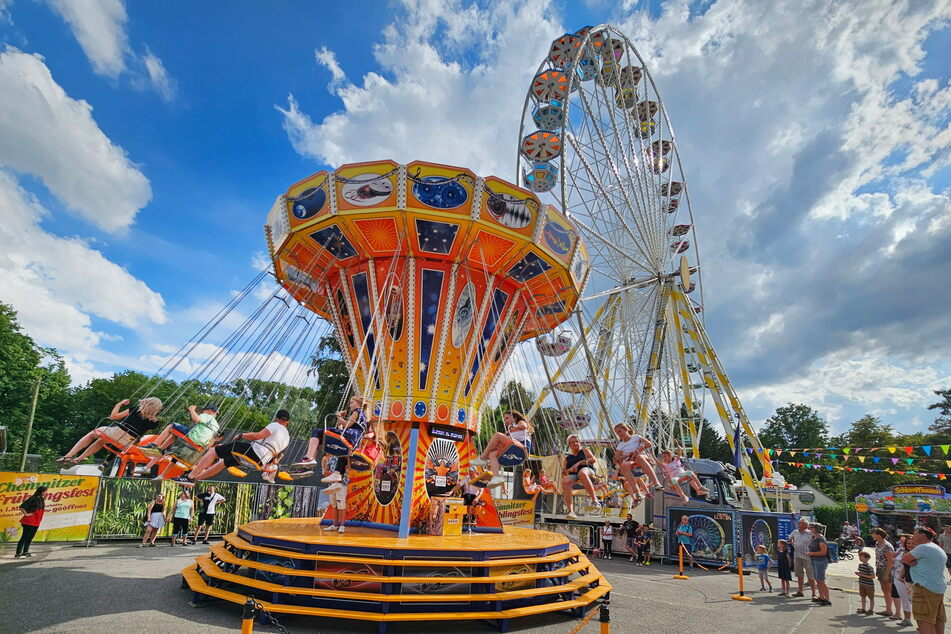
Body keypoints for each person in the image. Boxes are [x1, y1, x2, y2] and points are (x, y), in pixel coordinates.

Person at [173, 410, 291, 486]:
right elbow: (275, 455)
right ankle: (195, 479)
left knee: (214, 451)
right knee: (222, 463)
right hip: (260, 461)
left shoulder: (275, 425)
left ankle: (189, 477)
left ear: (277, 418)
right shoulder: (287, 437)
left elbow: (258, 435)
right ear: (288, 421)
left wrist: (241, 435)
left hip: (253, 451)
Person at [58, 397, 163, 464]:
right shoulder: (154, 423)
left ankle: (68, 456)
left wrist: (119, 404)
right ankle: (78, 459)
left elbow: (114, 417)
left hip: (117, 433)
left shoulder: (135, 410)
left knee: (92, 434)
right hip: (128, 442)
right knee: (101, 441)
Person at [143, 404, 221, 471]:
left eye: (204, 411)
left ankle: (154, 444)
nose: (202, 412)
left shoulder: (207, 416)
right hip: (199, 444)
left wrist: (192, 410)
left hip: (193, 437)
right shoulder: (217, 426)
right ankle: (156, 454)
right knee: (174, 434)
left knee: (171, 426)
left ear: (210, 411)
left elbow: (197, 419)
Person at [296, 397, 368, 466]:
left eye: (351, 402)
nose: (349, 405)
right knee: (318, 440)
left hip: (350, 436)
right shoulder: (363, 415)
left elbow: (347, 425)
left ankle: (309, 458)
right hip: (354, 439)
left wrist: (338, 416)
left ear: (359, 403)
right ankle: (308, 464)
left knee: (316, 432)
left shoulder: (357, 411)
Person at [904, 525, 948, 634]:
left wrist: (911, 562)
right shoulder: (935, 547)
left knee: (924, 619)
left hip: (925, 588)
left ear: (922, 535)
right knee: (937, 619)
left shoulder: (923, 547)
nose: (912, 537)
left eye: (915, 534)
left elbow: (904, 558)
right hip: (937, 587)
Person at [473, 410, 532, 486]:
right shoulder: (509, 432)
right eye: (504, 419)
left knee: (497, 435)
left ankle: (482, 458)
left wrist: (512, 428)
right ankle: (494, 476)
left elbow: (524, 426)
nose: (505, 421)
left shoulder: (520, 423)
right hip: (513, 449)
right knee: (491, 454)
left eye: (507, 418)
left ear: (514, 418)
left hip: (523, 448)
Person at [612, 423, 663, 501]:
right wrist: (626, 455)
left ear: (626, 429)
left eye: (620, 431)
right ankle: (637, 492)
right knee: (623, 466)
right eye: (617, 433)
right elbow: (616, 458)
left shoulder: (636, 437)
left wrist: (637, 451)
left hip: (641, 456)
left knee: (638, 457)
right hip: (631, 460)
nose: (619, 434)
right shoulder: (620, 445)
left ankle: (656, 483)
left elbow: (648, 443)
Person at [561, 434, 600, 519]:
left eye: (577, 441)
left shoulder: (585, 451)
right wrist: (569, 470)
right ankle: (571, 511)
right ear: (569, 445)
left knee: (582, 473)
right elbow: (564, 472)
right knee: (565, 482)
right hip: (575, 475)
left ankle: (595, 500)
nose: (575, 443)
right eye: (573, 442)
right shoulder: (568, 458)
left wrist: (579, 463)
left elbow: (593, 460)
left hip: (587, 471)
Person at [870, 527, 897, 617]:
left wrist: (886, 574)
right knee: (885, 590)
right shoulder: (877, 544)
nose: (872, 535)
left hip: (886, 569)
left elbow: (890, 561)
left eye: (873, 534)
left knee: (890, 591)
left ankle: (897, 611)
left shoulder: (887, 546)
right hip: (880, 568)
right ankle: (888, 610)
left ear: (879, 535)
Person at [15, 486, 47, 558]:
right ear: (41, 491)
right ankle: (18, 554)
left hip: (36, 522)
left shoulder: (41, 499)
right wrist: (26, 514)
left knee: (30, 537)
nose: (46, 493)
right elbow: (21, 507)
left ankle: (25, 552)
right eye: (45, 491)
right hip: (29, 521)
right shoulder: (33, 498)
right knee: (24, 537)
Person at [790, 518, 817, 599]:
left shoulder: (810, 533)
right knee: (799, 575)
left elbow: (818, 539)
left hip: (807, 557)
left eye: (800, 523)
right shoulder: (795, 532)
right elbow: (790, 538)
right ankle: (800, 591)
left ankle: (814, 593)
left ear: (806, 525)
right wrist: (793, 544)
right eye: (798, 523)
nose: (799, 524)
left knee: (810, 576)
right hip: (797, 556)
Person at [891, 533, 914, 626]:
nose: (909, 544)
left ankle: (922, 624)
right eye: (907, 543)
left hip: (911, 580)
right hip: (898, 578)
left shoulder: (917, 553)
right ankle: (907, 619)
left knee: (915, 602)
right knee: (904, 599)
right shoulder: (901, 551)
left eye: (912, 543)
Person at [322, 456, 349, 533]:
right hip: (331, 485)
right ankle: (335, 525)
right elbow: (325, 472)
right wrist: (331, 474)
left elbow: (347, 470)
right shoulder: (331, 458)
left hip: (341, 485)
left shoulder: (345, 457)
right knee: (334, 505)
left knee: (341, 505)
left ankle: (342, 526)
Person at [807, 522, 831, 606]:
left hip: (820, 561)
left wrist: (812, 553)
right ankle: (821, 597)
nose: (810, 529)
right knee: (818, 580)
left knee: (821, 580)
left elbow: (823, 552)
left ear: (816, 529)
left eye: (811, 527)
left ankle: (827, 599)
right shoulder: (814, 537)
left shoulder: (821, 539)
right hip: (814, 560)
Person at [856, 550, 876, 615]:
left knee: (871, 597)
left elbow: (873, 576)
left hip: (869, 584)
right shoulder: (860, 566)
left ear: (867, 558)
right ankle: (863, 608)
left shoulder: (869, 567)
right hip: (862, 583)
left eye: (861, 557)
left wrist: (861, 575)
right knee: (863, 596)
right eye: (859, 557)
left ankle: (871, 609)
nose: (860, 558)